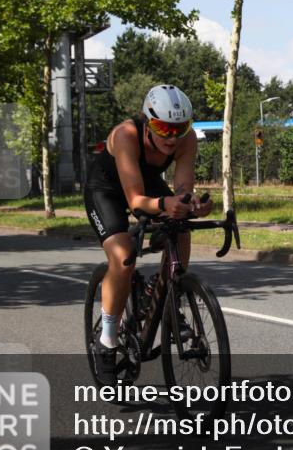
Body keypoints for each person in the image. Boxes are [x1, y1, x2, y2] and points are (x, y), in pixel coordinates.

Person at [83, 84, 213, 385]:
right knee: (123, 256)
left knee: (181, 228)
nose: (171, 136)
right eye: (162, 127)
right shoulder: (125, 135)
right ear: (147, 121)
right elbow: (136, 200)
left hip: (148, 186)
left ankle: (164, 287)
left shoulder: (186, 140)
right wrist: (165, 204)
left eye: (179, 128)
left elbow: (181, 188)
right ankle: (107, 340)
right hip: (107, 190)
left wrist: (192, 204)